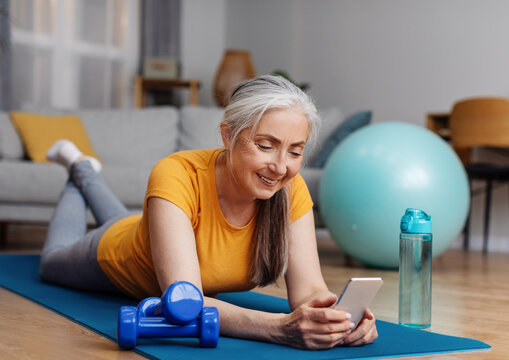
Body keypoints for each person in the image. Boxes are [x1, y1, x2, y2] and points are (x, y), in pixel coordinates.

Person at [39, 75, 378, 350]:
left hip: (149, 227)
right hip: (115, 254)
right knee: (51, 262)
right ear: (228, 135)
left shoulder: (290, 188)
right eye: (265, 145)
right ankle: (79, 169)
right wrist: (278, 328)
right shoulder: (176, 173)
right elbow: (185, 300)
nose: (279, 166)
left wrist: (338, 317)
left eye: (295, 151)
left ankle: (83, 169)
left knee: (123, 218)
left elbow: (308, 292)